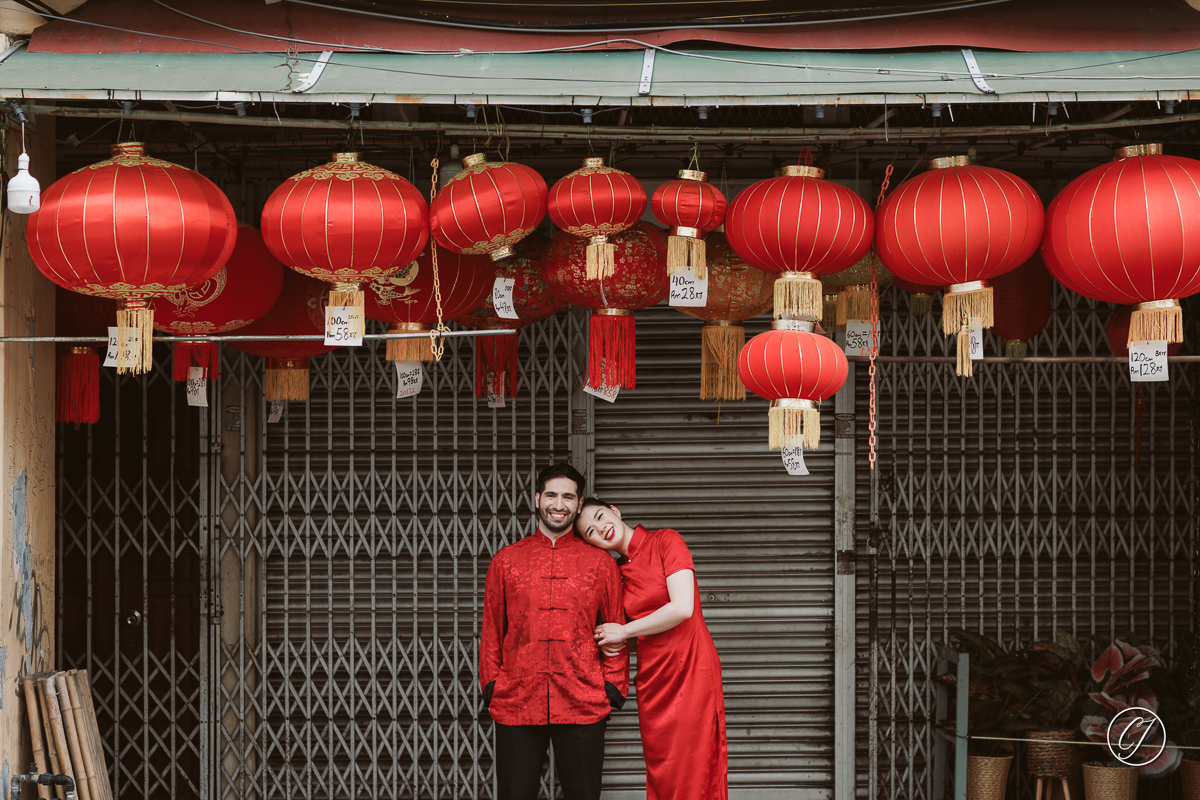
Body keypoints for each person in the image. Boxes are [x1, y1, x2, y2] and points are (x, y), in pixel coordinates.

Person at [479, 464, 630, 800]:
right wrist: (492, 685)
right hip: (517, 700)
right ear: (537, 499)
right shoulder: (506, 561)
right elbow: (491, 629)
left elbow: (616, 627)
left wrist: (611, 687)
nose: (558, 504)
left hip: (583, 699)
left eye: (567, 497)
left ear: (578, 506)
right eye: (551, 495)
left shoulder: (601, 564)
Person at [576, 498, 729, 800]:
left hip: (692, 670)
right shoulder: (613, 574)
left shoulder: (666, 541)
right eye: (590, 532)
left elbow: (683, 608)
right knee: (663, 773)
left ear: (614, 511)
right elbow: (609, 628)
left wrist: (625, 631)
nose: (601, 528)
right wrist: (609, 640)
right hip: (653, 682)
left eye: (600, 516)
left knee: (696, 769)